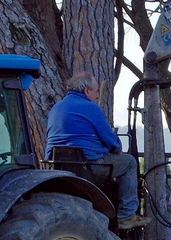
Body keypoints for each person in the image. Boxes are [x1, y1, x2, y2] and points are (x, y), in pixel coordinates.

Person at [47, 71, 144, 230]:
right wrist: (117, 149)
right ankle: (127, 216)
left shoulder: (56, 108)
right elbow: (110, 139)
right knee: (129, 162)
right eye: (96, 91)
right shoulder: (91, 108)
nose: (98, 96)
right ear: (86, 90)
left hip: (58, 167)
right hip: (89, 166)